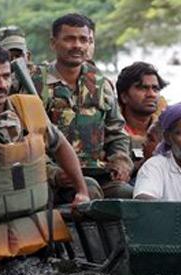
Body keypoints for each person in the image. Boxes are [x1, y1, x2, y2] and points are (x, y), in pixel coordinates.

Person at [0, 43, 89, 272]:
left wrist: (82, 190)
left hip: (38, 240)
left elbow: (60, 145)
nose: (1, 85)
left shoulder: (29, 111)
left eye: (5, 76)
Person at [29, 13, 132, 199]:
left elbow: (117, 133)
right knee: (89, 189)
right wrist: (53, 173)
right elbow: (25, 140)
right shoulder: (34, 84)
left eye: (83, 39)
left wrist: (121, 161)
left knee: (126, 194)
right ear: (53, 43)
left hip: (98, 173)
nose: (77, 45)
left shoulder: (101, 84)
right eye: (69, 39)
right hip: (53, 181)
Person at [116, 61, 168, 152]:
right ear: (124, 96)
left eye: (155, 89)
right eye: (143, 88)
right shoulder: (109, 129)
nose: (151, 94)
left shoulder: (168, 128)